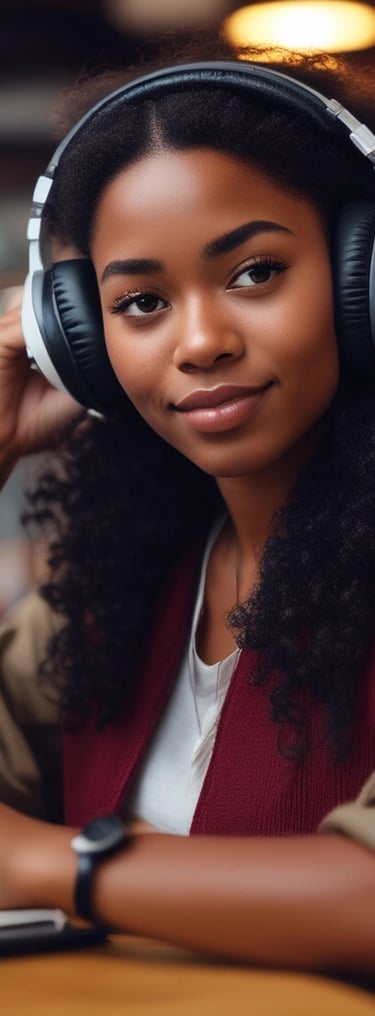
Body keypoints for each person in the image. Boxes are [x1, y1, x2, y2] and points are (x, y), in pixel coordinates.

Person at [1, 29, 375, 973]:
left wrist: (48, 863)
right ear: (79, 347)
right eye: (141, 303)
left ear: (361, 277)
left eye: (254, 272)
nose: (201, 341)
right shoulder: (114, 595)